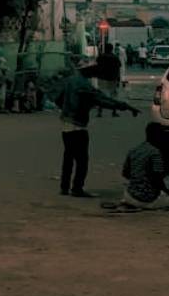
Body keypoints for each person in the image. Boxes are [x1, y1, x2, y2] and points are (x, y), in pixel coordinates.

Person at [55, 60, 137, 198]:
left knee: (68, 156)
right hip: (78, 124)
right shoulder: (84, 85)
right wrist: (125, 107)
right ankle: (77, 188)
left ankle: (64, 187)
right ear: (87, 70)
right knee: (82, 159)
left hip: (66, 122)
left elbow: (58, 99)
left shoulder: (71, 81)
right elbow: (102, 100)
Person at [108, 123, 169, 209]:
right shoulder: (155, 153)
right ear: (158, 136)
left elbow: (125, 174)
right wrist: (168, 191)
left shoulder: (134, 150)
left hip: (129, 196)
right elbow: (157, 178)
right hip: (146, 199)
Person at [94, 44, 123, 117]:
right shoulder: (115, 57)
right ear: (112, 49)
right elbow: (118, 69)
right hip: (112, 78)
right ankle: (114, 112)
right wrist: (118, 79)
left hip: (102, 78)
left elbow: (96, 66)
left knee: (101, 95)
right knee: (113, 95)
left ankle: (99, 112)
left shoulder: (100, 57)